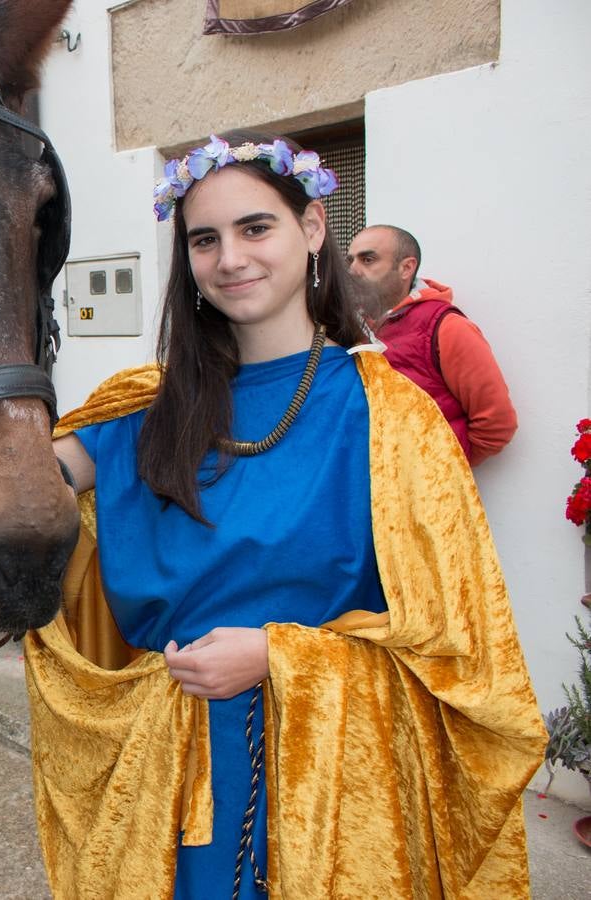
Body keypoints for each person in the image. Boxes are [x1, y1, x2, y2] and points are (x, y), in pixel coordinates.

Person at [29, 133, 545, 897]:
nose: (230, 258)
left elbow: (458, 648)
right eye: (205, 239)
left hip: (340, 772)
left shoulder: (392, 416)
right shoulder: (145, 405)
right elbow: (24, 484)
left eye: (255, 228)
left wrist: (280, 657)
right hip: (172, 772)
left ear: (309, 230)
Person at [347, 225, 517, 464]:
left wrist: (439, 470)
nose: (353, 270)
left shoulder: (447, 327)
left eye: (368, 259)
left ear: (406, 267)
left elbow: (496, 424)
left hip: (429, 494)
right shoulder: (351, 327)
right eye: (350, 260)